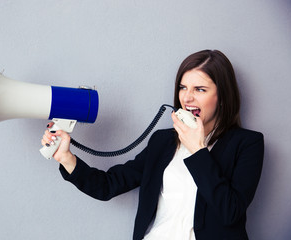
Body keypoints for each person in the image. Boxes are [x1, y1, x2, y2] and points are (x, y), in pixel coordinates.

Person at [41, 50, 264, 240]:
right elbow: (108, 185)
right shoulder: (163, 141)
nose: (187, 98)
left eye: (200, 89)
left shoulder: (247, 144)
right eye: (183, 87)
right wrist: (67, 158)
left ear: (222, 97)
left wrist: (197, 150)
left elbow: (230, 212)